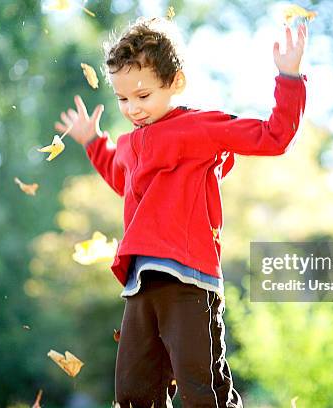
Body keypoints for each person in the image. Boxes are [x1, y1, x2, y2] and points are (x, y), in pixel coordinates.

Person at [54, 16, 307, 408]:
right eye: (123, 99)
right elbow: (123, 180)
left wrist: (289, 78)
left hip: (190, 281)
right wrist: (93, 142)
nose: (133, 108)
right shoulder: (128, 143)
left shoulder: (199, 127)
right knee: (134, 392)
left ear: (175, 83)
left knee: (200, 391)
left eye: (143, 96)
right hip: (141, 283)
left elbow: (275, 136)